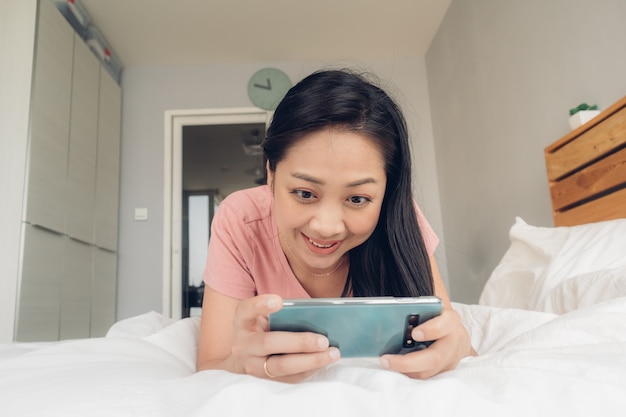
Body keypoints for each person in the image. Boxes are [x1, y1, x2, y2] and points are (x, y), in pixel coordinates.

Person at [197, 69, 475, 382]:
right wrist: (240, 364)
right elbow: (211, 365)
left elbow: (457, 347)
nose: (326, 227)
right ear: (271, 174)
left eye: (357, 199)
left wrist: (459, 346)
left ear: (387, 191)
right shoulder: (240, 219)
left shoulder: (399, 216)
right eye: (304, 193)